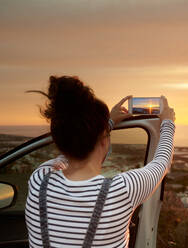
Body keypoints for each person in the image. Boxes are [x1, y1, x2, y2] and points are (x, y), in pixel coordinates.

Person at [25, 76, 176, 247]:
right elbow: (162, 162)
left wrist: (105, 126)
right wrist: (168, 121)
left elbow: (71, 148)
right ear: (104, 141)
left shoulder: (39, 180)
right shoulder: (122, 190)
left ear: (59, 142)